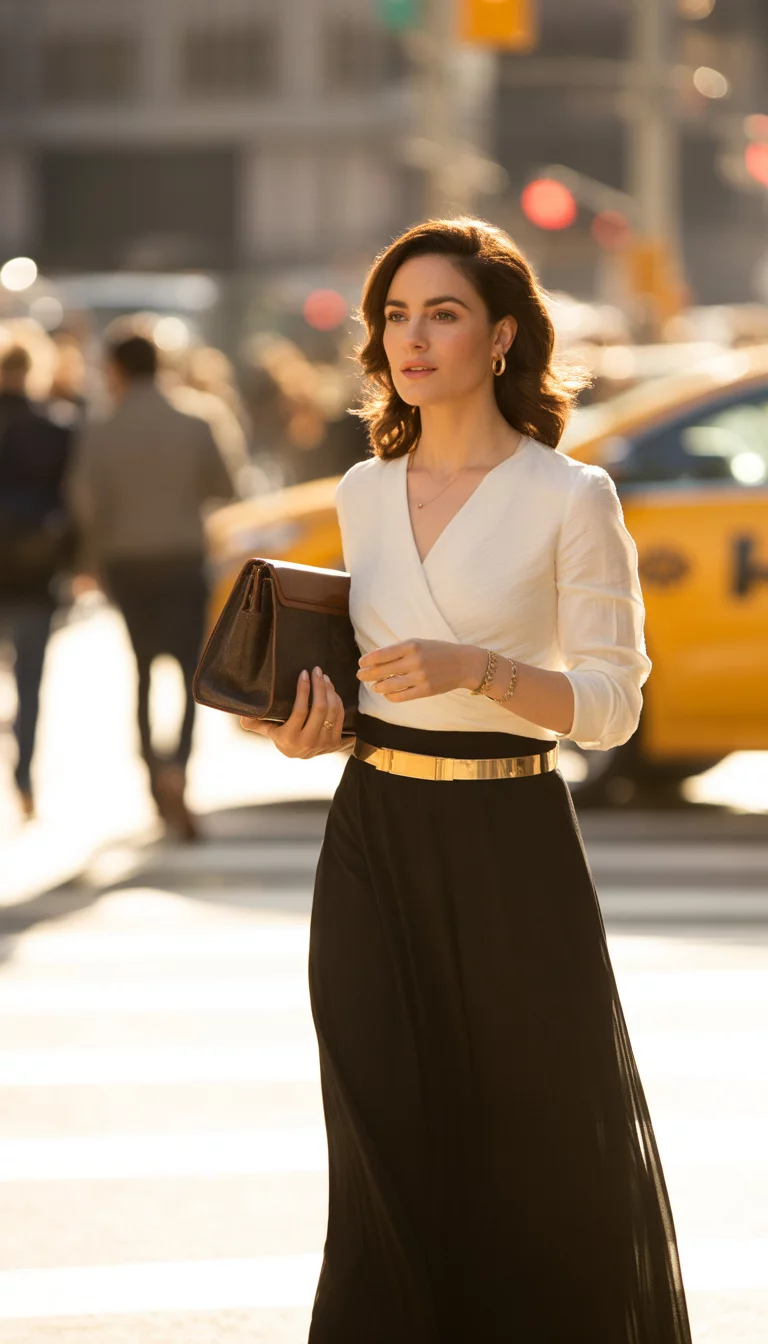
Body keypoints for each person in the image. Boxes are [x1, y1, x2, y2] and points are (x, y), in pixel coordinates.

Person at [240, 218, 691, 1342]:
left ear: (501, 340)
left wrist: (481, 670)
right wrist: (312, 732)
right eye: (395, 314)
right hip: (373, 835)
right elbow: (372, 691)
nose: (413, 336)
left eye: (441, 313)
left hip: (510, 840)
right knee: (382, 1146)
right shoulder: (359, 492)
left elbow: (612, 704)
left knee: (533, 1166)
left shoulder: (569, 497)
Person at [69, 331, 235, 840]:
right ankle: (178, 768)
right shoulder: (197, 418)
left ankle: (152, 775)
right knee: (191, 673)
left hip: (127, 561)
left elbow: (84, 503)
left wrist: (89, 562)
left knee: (140, 670)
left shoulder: (101, 428)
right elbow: (224, 487)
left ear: (116, 369)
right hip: (183, 557)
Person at [0, 344, 74, 820]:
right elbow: (73, 501)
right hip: (35, 571)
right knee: (29, 683)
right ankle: (24, 778)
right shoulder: (55, 428)